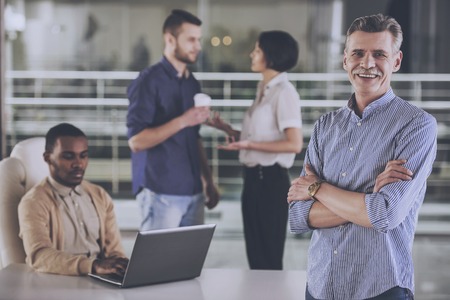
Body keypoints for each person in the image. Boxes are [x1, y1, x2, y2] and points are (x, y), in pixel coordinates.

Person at [287, 14, 437, 299]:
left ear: (396, 61)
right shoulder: (324, 126)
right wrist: (368, 199)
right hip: (320, 285)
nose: (367, 63)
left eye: (379, 54)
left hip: (380, 287)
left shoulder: (417, 125)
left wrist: (316, 188)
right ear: (345, 60)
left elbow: (385, 214)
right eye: (358, 53)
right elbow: (297, 216)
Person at [207, 31, 303, 270]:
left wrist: (248, 145)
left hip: (270, 182)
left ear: (271, 56)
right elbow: (258, 137)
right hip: (252, 181)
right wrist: (227, 129)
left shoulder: (285, 92)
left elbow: (294, 143)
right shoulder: (264, 89)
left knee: (268, 259)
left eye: (257, 50)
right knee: (256, 258)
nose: (252, 54)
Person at [126, 9, 220, 231]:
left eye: (199, 39)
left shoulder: (191, 83)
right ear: (170, 39)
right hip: (160, 191)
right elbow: (136, 141)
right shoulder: (147, 82)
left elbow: (193, 138)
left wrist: (208, 181)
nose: (197, 46)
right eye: (191, 39)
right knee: (158, 265)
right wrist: (184, 120)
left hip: (194, 191)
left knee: (189, 265)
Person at [18, 123, 128, 276]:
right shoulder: (34, 202)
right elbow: (39, 256)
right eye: (68, 156)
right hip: (65, 281)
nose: (79, 164)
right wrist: (93, 266)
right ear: (48, 158)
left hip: (102, 280)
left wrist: (123, 267)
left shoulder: (99, 195)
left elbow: (115, 251)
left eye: (83, 155)